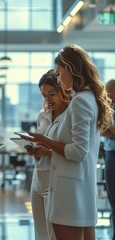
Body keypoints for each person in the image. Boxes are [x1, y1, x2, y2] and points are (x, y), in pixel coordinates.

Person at [20, 44, 113, 240]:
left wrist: (43, 140)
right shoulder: (90, 98)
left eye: (60, 73)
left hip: (69, 190)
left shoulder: (80, 101)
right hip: (79, 187)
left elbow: (78, 152)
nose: (60, 79)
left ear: (70, 69)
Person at [24, 70, 70, 240]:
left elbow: (69, 151)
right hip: (38, 176)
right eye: (44, 95)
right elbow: (41, 143)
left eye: (52, 94)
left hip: (55, 178)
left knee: (53, 234)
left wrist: (46, 152)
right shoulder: (42, 116)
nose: (48, 99)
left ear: (63, 90)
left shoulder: (70, 116)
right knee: (40, 233)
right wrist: (35, 150)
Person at [102, 79, 115, 240]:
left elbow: (106, 128)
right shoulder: (106, 109)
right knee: (111, 190)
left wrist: (109, 129)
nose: (108, 94)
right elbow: (101, 130)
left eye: (110, 91)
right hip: (110, 153)